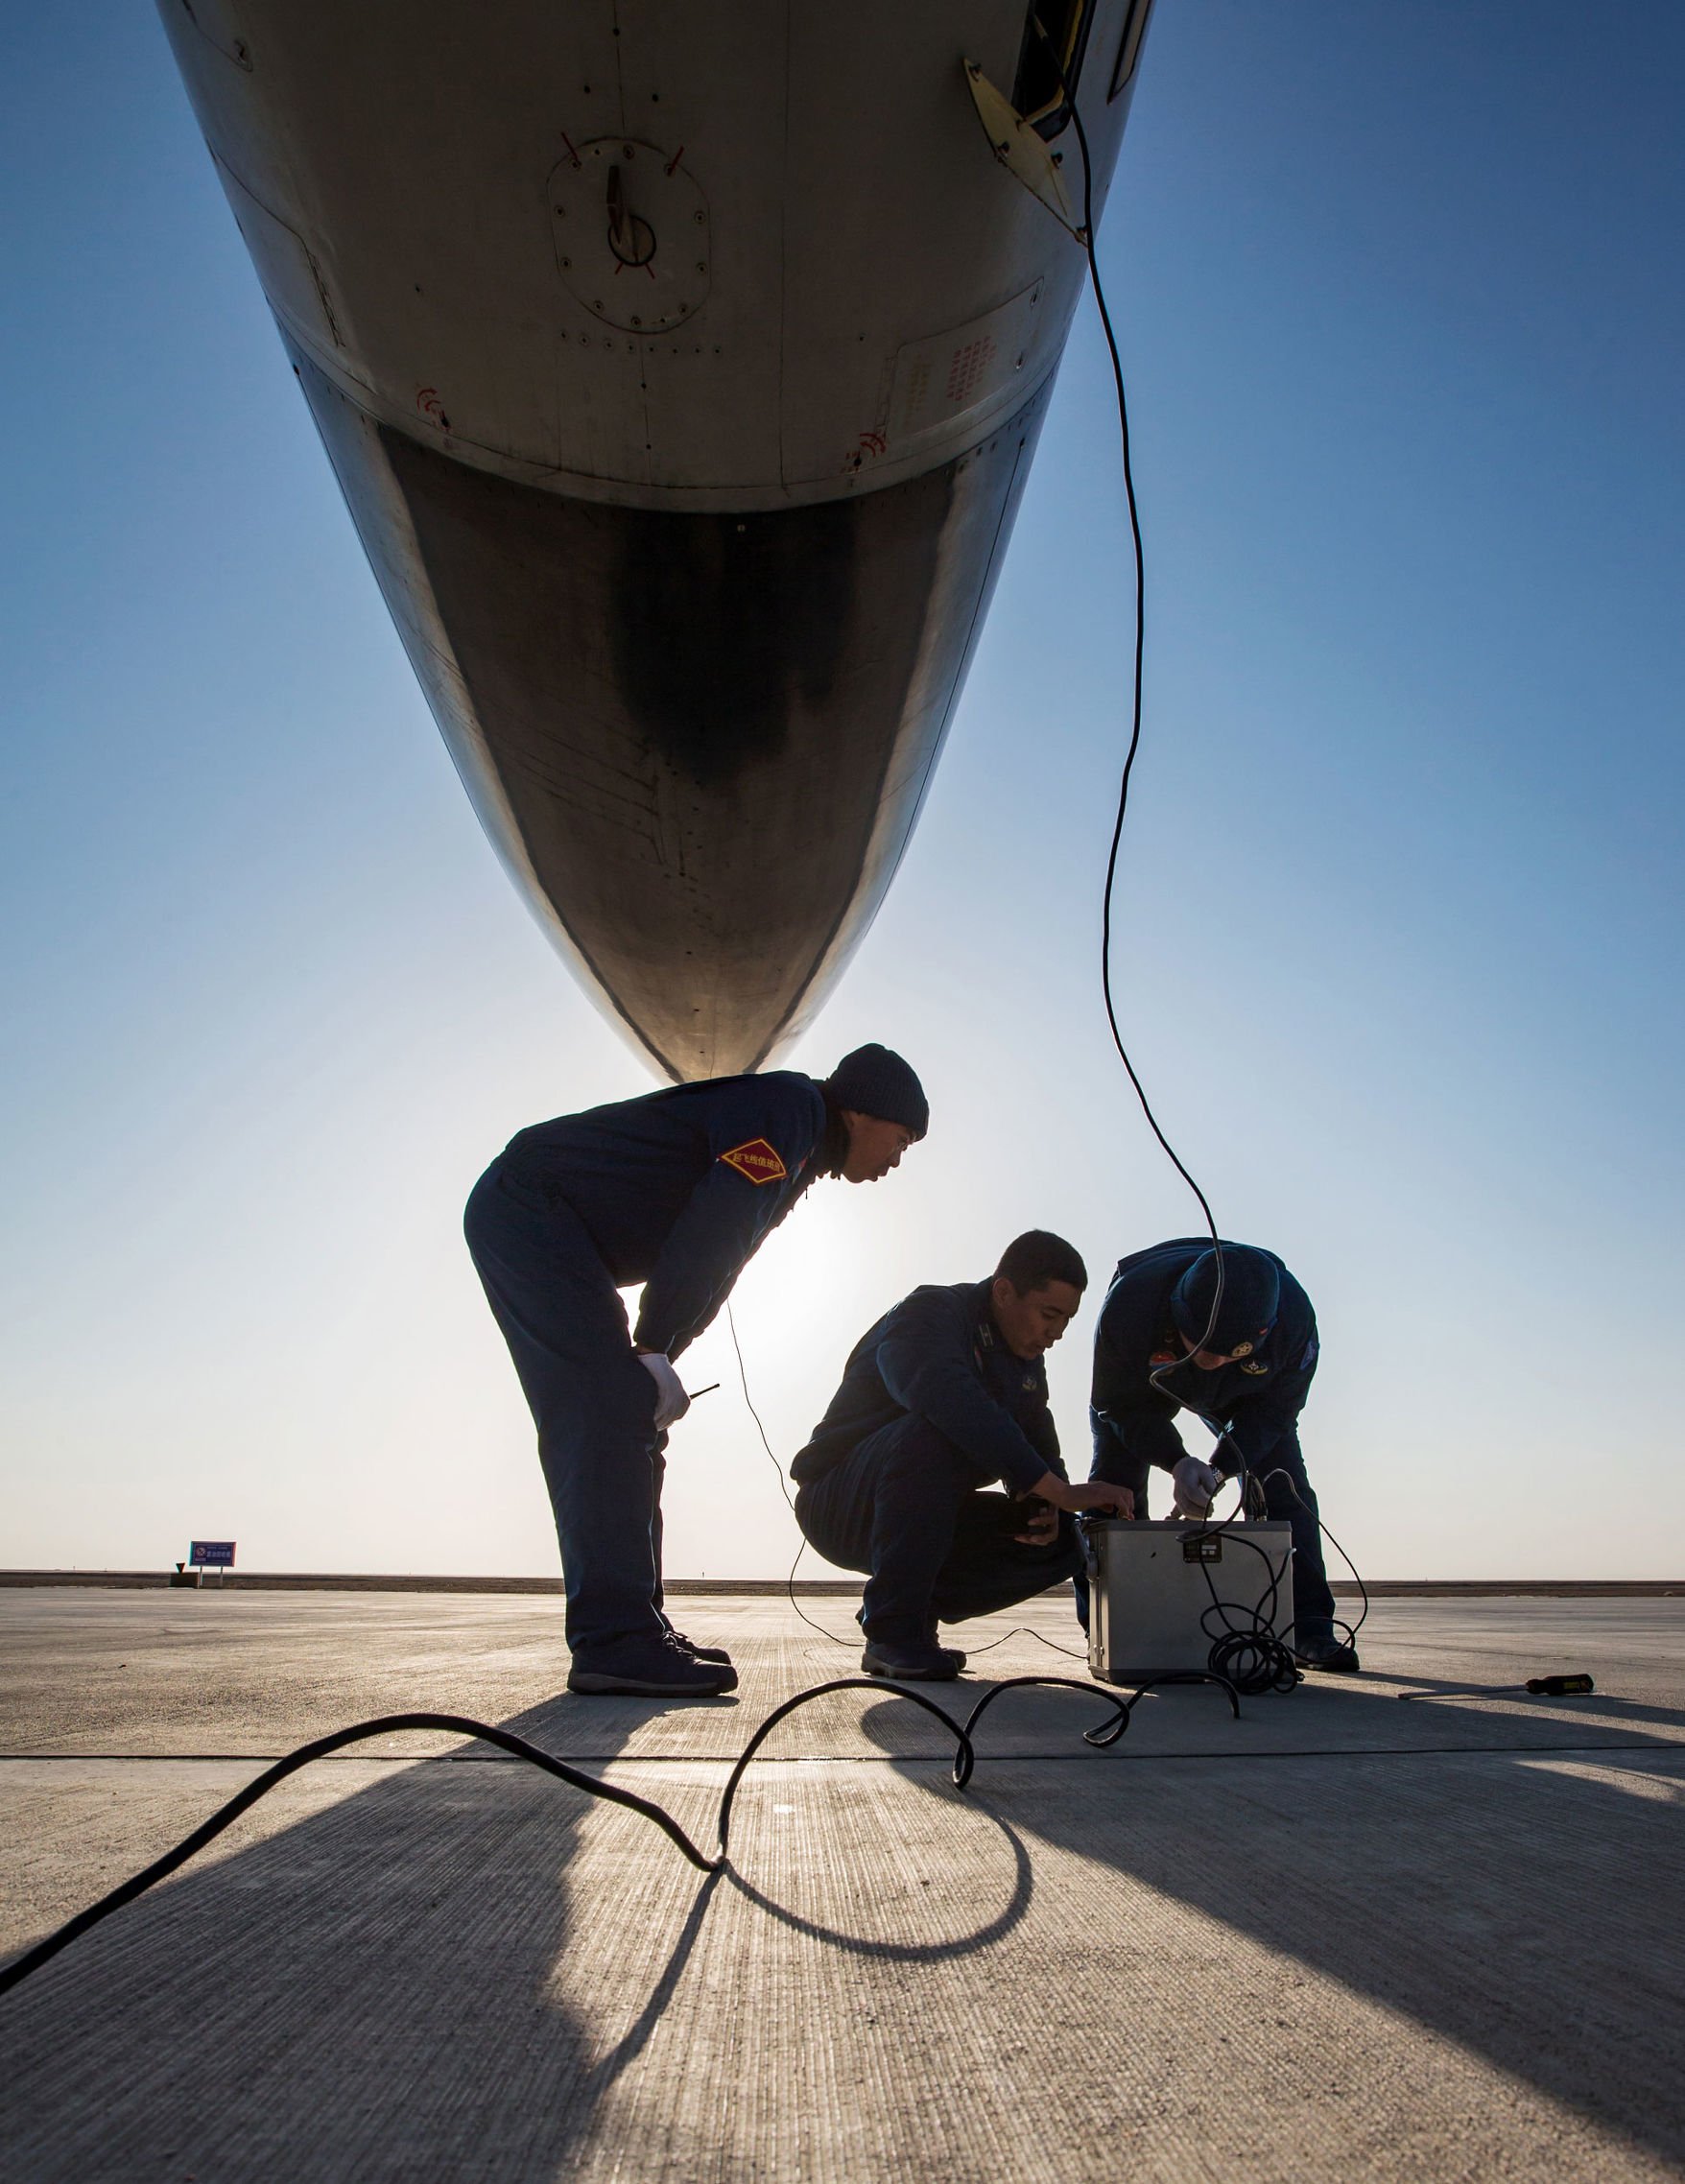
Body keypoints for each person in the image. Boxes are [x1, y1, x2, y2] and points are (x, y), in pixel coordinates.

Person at [464, 1044, 928, 1697]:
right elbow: (718, 1227)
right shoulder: (791, 1111)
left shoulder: (797, 1152)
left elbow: (725, 1256)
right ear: (860, 1111)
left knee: (630, 1416)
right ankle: (613, 1639)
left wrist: (658, 1358)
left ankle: (636, 1627)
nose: (897, 1160)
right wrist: (652, 1344)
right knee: (606, 1415)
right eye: (901, 1139)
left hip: (558, 1229)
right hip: (530, 1208)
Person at [791, 1231, 1134, 1681]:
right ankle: (892, 1629)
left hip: (925, 1512)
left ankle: (913, 1612)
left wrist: (1050, 1503)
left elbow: (1040, 1448)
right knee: (934, 1428)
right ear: (1004, 1291)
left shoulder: (1024, 1365)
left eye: (1067, 1320)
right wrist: (1055, 1487)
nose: (1056, 1333)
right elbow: (942, 1393)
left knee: (1065, 1537)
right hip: (838, 1504)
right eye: (1049, 1314)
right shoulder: (929, 1314)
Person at [1088, 1237, 1358, 1672]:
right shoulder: (1130, 1308)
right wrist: (1175, 1460)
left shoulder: (1295, 1326)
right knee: (1113, 1487)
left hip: (1247, 1394)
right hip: (1144, 1383)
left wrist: (1219, 1468)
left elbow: (1273, 1415)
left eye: (1226, 1351)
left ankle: (1309, 1627)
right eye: (1199, 1343)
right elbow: (1118, 1405)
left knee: (1282, 1483)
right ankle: (1108, 1626)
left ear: (1263, 1333)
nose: (1210, 1360)